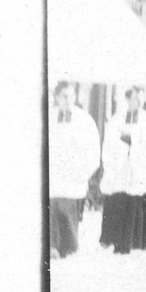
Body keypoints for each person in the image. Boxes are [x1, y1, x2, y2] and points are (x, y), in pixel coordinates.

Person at [99, 85, 146, 254]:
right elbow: (109, 141)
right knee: (119, 201)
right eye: (135, 98)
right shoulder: (117, 118)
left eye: (141, 98)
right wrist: (121, 145)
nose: (139, 101)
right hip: (120, 168)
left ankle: (134, 242)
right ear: (127, 99)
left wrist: (132, 141)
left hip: (137, 168)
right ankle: (117, 241)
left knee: (134, 202)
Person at [50, 82, 100, 259]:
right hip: (54, 177)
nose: (69, 100)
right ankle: (52, 246)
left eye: (71, 96)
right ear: (56, 97)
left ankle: (68, 247)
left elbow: (93, 150)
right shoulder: (49, 117)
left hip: (73, 178)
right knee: (52, 209)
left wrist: (82, 173)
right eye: (64, 96)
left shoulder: (84, 120)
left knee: (68, 214)